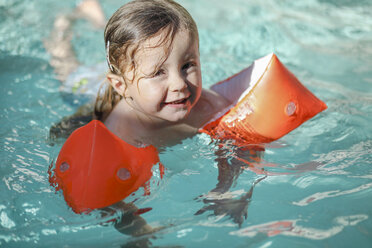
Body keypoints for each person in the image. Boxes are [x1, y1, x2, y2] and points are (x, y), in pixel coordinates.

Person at [47, 0, 265, 240]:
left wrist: (224, 191)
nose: (179, 84)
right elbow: (112, 201)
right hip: (87, 89)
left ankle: (99, 21)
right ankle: (69, 22)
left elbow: (239, 146)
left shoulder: (207, 107)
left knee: (125, 53)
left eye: (187, 65)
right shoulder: (121, 135)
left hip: (131, 75)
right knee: (66, 64)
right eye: (159, 73)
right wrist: (142, 233)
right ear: (120, 86)